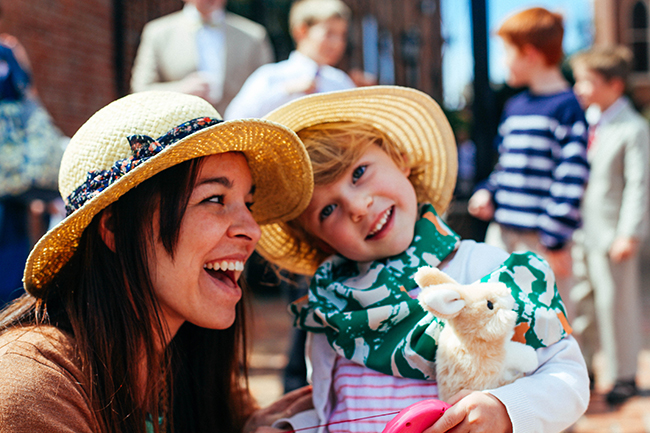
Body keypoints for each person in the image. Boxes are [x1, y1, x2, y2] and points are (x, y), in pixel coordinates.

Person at [256, 86, 589, 433]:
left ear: (400, 159)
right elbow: (338, 410)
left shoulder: (486, 271)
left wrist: (505, 410)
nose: (356, 207)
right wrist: (294, 426)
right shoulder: (330, 311)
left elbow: (568, 377)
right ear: (317, 238)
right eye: (328, 210)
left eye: (359, 173)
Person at [0, 90, 315, 432]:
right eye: (214, 199)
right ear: (117, 228)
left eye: (248, 204)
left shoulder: (187, 364)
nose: (252, 231)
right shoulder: (33, 386)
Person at [467, 7, 589, 322]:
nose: (504, 61)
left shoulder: (567, 108)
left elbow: (571, 175)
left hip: (541, 240)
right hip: (503, 234)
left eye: (507, 52)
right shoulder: (515, 106)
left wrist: (554, 240)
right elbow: (506, 165)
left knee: (549, 321)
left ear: (530, 54)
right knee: (498, 318)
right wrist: (488, 192)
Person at [570, 45, 649, 405]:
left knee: (617, 306)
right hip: (582, 231)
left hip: (614, 233)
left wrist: (629, 233)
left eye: (587, 81)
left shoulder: (632, 128)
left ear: (614, 85)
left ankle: (623, 376)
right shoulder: (590, 123)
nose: (580, 89)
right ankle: (582, 369)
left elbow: (640, 184)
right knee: (582, 303)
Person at [130, 0, 274, 115]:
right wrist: (181, 90)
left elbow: (268, 92)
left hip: (238, 137)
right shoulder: (158, 33)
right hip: (178, 137)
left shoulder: (253, 36)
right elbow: (140, 90)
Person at [224, 0, 355, 120]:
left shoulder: (340, 82)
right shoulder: (271, 76)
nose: (337, 43)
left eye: (342, 35)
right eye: (329, 34)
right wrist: (284, 91)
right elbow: (236, 117)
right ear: (301, 31)